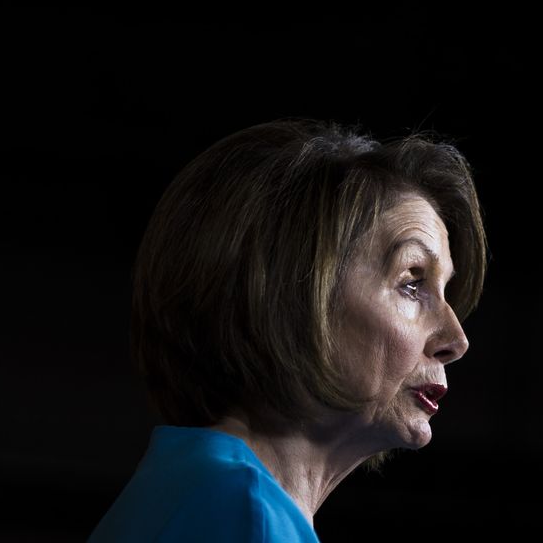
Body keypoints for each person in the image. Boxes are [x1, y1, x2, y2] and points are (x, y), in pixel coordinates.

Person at [89, 119, 488, 541]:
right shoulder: (242, 512)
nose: (456, 340)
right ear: (290, 294)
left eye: (444, 290)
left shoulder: (205, 494)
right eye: (412, 282)